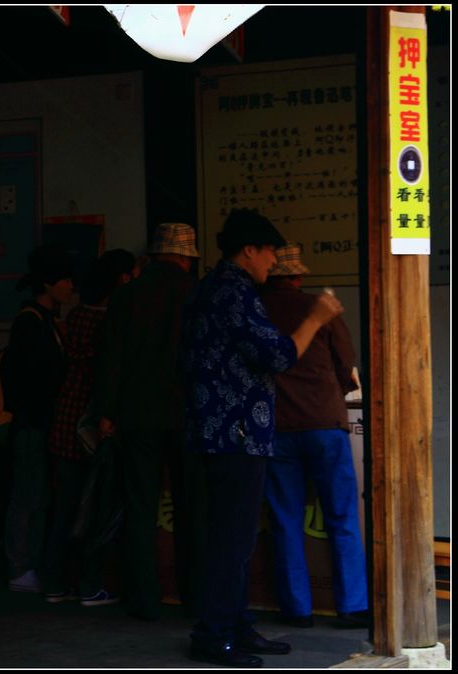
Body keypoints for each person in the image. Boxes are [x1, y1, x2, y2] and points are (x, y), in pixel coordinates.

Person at [183, 209, 344, 668]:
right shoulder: (235, 292)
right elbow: (276, 354)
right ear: (249, 249)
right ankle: (214, 634)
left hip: (215, 428)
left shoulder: (207, 290)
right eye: (271, 251)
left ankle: (233, 625)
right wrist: (316, 318)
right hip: (235, 432)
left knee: (231, 536)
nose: (274, 261)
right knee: (231, 539)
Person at [98, 222, 207, 621]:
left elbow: (111, 360)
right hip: (187, 417)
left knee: (140, 508)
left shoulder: (127, 295)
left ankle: (144, 600)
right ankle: (194, 597)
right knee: (190, 508)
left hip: (137, 416)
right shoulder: (196, 294)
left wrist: (107, 413)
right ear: (185, 258)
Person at [260, 243, 369, 630]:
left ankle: (296, 609)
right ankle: (352, 606)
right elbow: (345, 364)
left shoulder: (256, 310)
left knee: (286, 520)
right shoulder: (318, 309)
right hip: (324, 425)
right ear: (297, 277)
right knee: (341, 516)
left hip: (277, 427)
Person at [41, 249, 136, 607]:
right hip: (91, 427)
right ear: (120, 279)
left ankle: (53, 581)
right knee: (94, 509)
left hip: (65, 420)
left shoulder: (76, 315)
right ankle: (89, 583)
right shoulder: (107, 320)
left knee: (64, 508)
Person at [0, 242, 75, 593]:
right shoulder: (32, 323)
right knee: (28, 496)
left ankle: (25, 566)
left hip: (37, 420)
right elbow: (29, 375)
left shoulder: (40, 320)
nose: (71, 286)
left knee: (35, 495)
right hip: (33, 421)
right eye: (65, 279)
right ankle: (20, 567)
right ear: (47, 284)